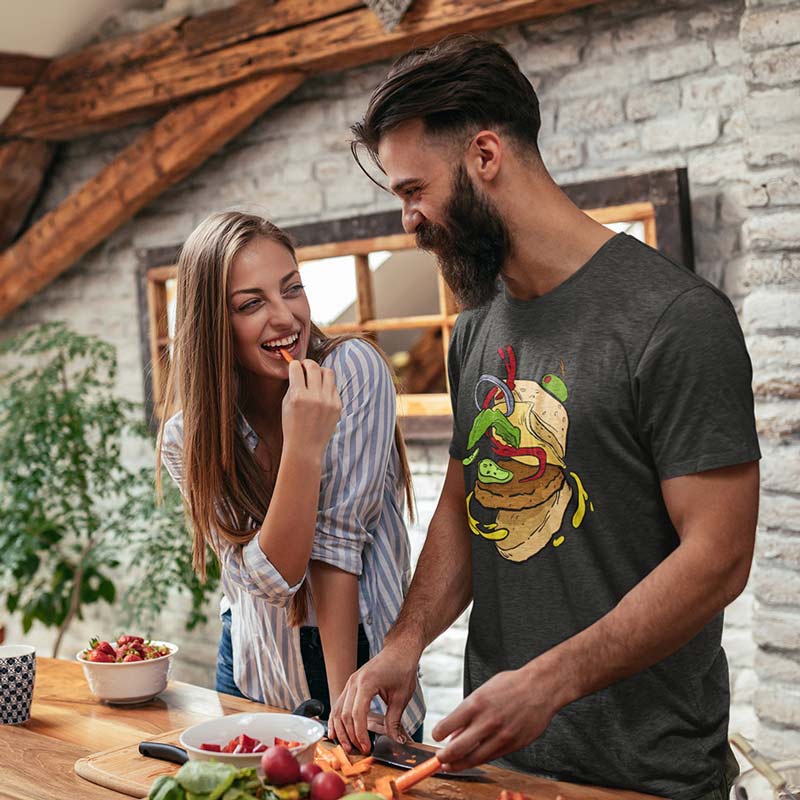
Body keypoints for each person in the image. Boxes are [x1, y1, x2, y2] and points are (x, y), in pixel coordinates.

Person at [329, 35, 760, 800]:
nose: (408, 220)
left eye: (413, 190)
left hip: (646, 778)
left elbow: (720, 556)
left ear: (486, 155)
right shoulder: (475, 331)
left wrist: (550, 682)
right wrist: (404, 642)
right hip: (498, 770)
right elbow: (466, 507)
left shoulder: (675, 319)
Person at [158, 211, 425, 740]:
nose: (286, 318)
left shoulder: (353, 371)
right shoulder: (188, 438)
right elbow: (270, 579)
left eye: (292, 289)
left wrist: (346, 709)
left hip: (358, 662)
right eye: (251, 304)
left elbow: (336, 547)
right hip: (255, 674)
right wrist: (304, 444)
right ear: (213, 323)